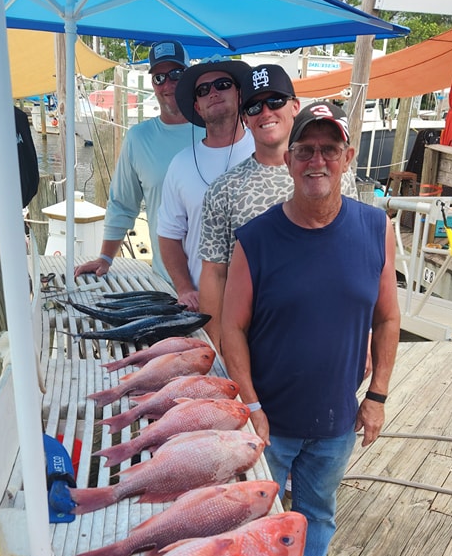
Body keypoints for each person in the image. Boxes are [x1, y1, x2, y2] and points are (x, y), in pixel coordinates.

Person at [220, 102, 400, 556]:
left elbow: (388, 318)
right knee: (257, 516)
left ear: (347, 156)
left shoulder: (375, 228)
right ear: (289, 160)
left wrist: (378, 397)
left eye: (328, 149)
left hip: (336, 419)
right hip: (268, 420)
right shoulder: (254, 238)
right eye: (305, 149)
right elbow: (231, 327)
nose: (316, 160)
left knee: (318, 513)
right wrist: (250, 404)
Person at [199, 69, 360, 349]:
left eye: (275, 101)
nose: (265, 112)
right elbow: (214, 273)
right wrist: (214, 345)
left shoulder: (338, 174)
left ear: (295, 106)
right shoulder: (222, 189)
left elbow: (353, 254)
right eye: (254, 106)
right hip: (254, 342)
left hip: (330, 335)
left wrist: (363, 333)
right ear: (245, 118)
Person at [74, 40, 204, 285]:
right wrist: (105, 257)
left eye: (176, 74)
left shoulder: (217, 131)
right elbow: (123, 203)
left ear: (190, 77)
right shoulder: (138, 138)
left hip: (224, 283)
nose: (168, 84)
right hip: (168, 282)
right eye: (159, 78)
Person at [157, 56, 254, 311]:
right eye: (203, 90)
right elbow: (168, 235)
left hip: (263, 306)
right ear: (197, 107)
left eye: (223, 84)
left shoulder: (267, 152)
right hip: (205, 306)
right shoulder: (180, 164)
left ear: (240, 95)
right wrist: (185, 288)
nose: (213, 93)